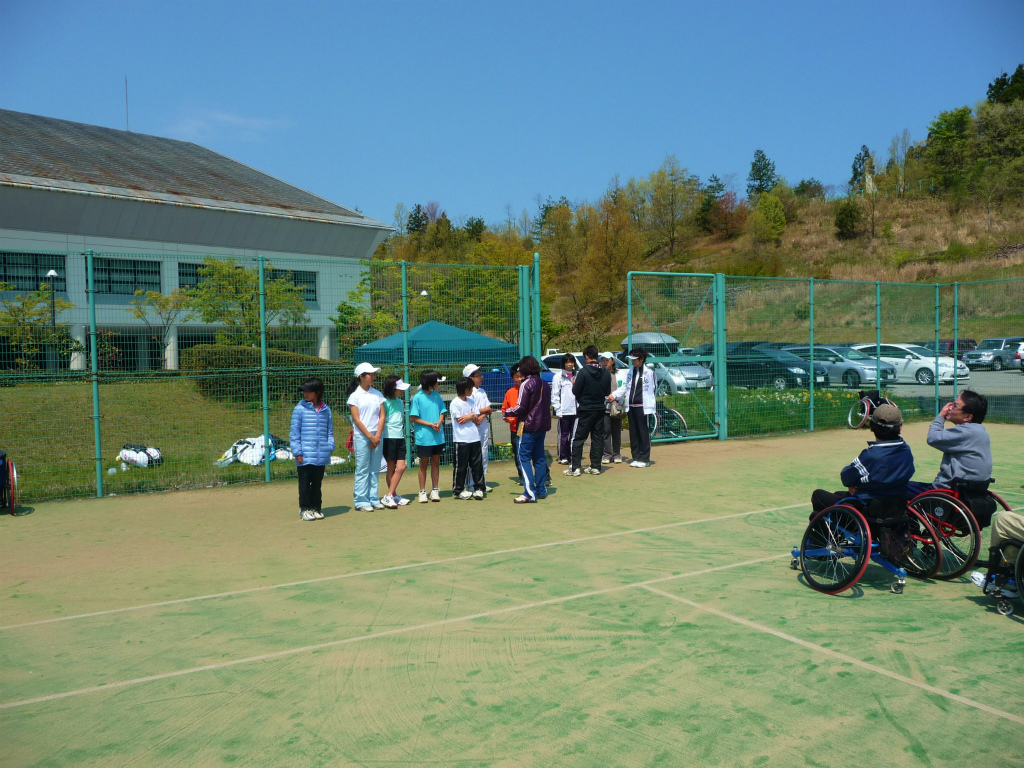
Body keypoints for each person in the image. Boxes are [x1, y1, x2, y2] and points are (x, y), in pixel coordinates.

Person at [810, 403, 916, 515]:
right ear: (900, 428)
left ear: (872, 427)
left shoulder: (871, 455)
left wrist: (859, 487)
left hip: (868, 509)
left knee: (818, 495)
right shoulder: (906, 450)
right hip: (896, 507)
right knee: (838, 494)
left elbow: (847, 477)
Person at [906, 390, 992, 497]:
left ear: (968, 417)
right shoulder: (981, 432)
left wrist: (941, 416)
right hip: (972, 488)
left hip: (949, 490)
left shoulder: (965, 432)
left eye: (955, 406)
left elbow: (933, 438)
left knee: (897, 488)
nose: (949, 408)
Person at [503, 355, 552, 503]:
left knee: (523, 458)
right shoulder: (544, 384)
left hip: (528, 426)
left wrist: (507, 412)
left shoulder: (526, 384)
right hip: (542, 426)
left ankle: (529, 493)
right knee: (539, 458)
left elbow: (521, 407)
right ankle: (541, 490)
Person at [290, 377, 334, 521]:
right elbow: (294, 432)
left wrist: (329, 447)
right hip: (304, 455)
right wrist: (297, 452)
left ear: (318, 392)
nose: (305, 394)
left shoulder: (326, 410)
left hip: (321, 454)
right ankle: (305, 509)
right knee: (304, 483)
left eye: (309, 391)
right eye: (304, 391)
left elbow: (329, 431)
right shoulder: (299, 409)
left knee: (317, 484)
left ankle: (316, 508)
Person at [346, 362, 386, 512]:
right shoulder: (354, 396)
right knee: (362, 469)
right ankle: (361, 501)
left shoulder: (378, 394)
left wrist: (377, 435)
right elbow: (356, 420)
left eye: (373, 374)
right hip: (362, 437)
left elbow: (382, 416)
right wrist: (370, 437)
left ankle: (374, 498)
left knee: (375, 469)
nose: (373, 376)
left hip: (377, 436)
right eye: (370, 374)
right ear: (361, 377)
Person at [567, 345, 612, 476]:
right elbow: (607, 391)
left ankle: (575, 467)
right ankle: (595, 466)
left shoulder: (583, 372)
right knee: (597, 438)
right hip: (600, 409)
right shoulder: (605, 372)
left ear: (586, 357)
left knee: (578, 438)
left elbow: (575, 391)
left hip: (585, 409)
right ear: (597, 356)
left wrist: (575, 385)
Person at [609, 348, 656, 468]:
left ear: (642, 359)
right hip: (631, 406)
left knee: (643, 432)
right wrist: (614, 395)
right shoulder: (631, 370)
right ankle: (636, 457)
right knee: (633, 433)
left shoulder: (649, 372)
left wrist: (650, 405)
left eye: (635, 359)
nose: (633, 361)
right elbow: (625, 387)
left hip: (643, 407)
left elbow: (653, 390)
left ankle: (644, 458)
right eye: (632, 359)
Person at [410, 369, 447, 503]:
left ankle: (435, 490)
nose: (438, 384)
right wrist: (430, 424)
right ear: (430, 382)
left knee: (436, 463)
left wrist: (439, 422)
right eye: (437, 381)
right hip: (424, 438)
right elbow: (413, 418)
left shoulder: (437, 396)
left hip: (438, 437)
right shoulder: (417, 397)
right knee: (423, 465)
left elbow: (442, 411)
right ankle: (422, 491)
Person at [450, 376, 487, 500]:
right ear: (466, 389)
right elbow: (460, 420)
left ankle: (479, 489)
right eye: (470, 388)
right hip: (461, 440)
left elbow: (476, 418)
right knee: (461, 467)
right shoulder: (455, 402)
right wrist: (470, 416)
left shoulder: (471, 401)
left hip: (474, 438)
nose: (472, 390)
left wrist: (470, 416)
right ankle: (458, 490)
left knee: (477, 465)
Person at [380, 374, 413, 509]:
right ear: (392, 388)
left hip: (400, 437)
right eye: (400, 389)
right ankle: (391, 495)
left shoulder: (400, 402)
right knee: (391, 467)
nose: (402, 391)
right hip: (388, 438)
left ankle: (390, 495)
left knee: (401, 467)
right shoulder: (384, 402)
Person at [463, 364, 493, 492]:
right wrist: (480, 412)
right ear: (470, 378)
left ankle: (482, 482)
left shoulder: (482, 391)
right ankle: (471, 484)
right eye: (478, 375)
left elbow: (489, 408)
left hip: (483, 426)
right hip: (472, 428)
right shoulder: (468, 393)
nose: (481, 377)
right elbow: (469, 411)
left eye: (481, 375)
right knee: (473, 456)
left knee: (483, 454)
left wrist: (482, 415)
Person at [550, 353, 578, 465]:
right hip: (564, 411)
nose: (570, 364)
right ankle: (563, 456)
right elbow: (555, 395)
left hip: (576, 410)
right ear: (564, 363)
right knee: (564, 435)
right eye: (567, 362)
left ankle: (572, 455)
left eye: (571, 362)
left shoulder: (577, 375)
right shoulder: (558, 377)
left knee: (574, 435)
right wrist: (558, 410)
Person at [502, 363, 525, 485]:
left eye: (521, 376)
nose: (519, 379)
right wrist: (507, 417)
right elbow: (504, 410)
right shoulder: (510, 392)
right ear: (512, 378)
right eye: (516, 376)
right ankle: (521, 476)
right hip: (515, 428)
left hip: (529, 427)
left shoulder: (529, 389)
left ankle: (545, 476)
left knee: (534, 452)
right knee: (517, 453)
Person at [599, 351, 624, 464]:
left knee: (616, 431)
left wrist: (614, 396)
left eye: (607, 360)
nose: (605, 363)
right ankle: (607, 454)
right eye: (603, 360)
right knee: (606, 431)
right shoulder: (599, 373)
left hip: (616, 406)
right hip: (604, 407)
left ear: (612, 361)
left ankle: (617, 454)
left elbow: (624, 387)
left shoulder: (619, 374)